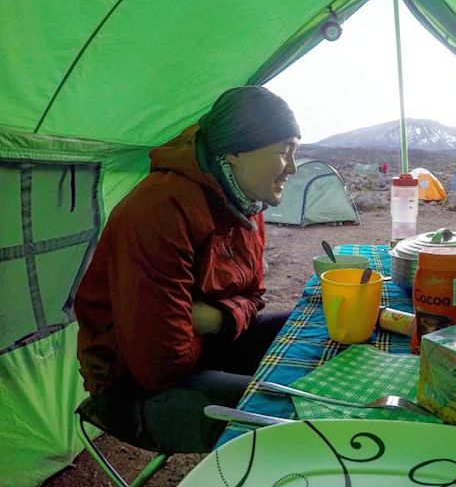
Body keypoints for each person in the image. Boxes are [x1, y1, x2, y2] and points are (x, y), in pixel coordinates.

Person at [74, 86, 301, 453]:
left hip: (205, 346)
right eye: (283, 152)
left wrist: (216, 320)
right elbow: (159, 364)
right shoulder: (160, 211)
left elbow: (254, 295)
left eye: (295, 153)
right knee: (289, 409)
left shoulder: (245, 203)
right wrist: (198, 323)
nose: (291, 167)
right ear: (236, 151)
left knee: (306, 333)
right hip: (134, 386)